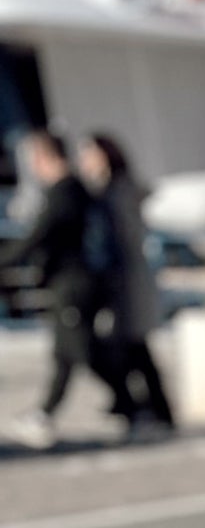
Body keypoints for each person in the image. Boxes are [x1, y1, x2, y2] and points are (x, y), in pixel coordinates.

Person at [6, 130, 136, 448]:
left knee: (82, 350)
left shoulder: (65, 192)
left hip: (75, 284)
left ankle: (133, 403)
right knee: (65, 353)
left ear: (43, 157)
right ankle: (46, 414)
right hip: (74, 283)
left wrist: (5, 259)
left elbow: (36, 238)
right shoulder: (72, 190)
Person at [76, 133, 174, 430]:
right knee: (134, 348)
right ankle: (148, 408)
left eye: (89, 154)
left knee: (132, 347)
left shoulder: (117, 193)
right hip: (123, 281)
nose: (83, 161)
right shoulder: (109, 192)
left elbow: (123, 240)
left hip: (127, 281)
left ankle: (147, 408)